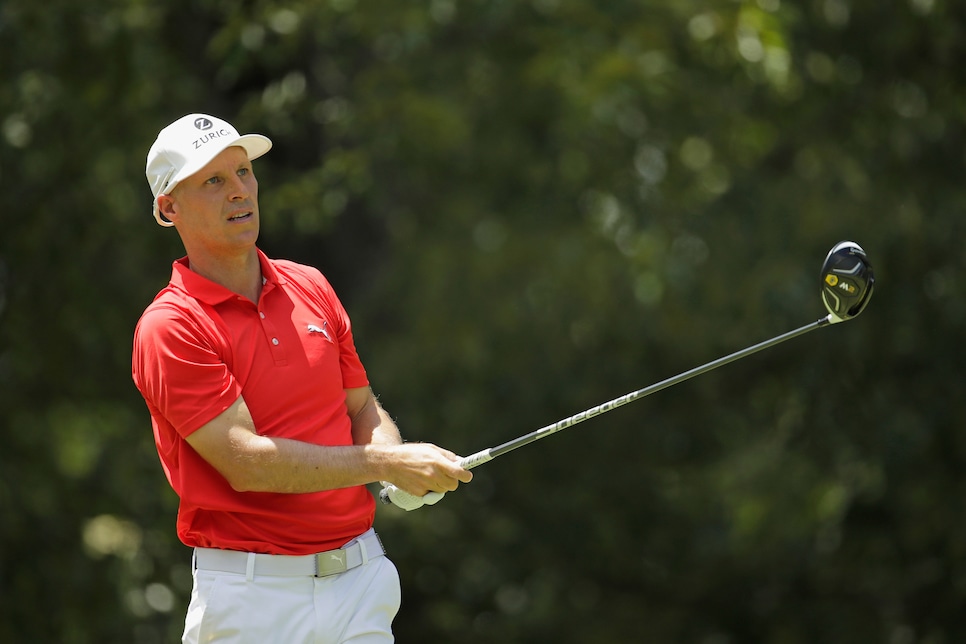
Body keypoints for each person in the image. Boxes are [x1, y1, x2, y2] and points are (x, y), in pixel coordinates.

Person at [131, 113, 472, 644]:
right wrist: (385, 462)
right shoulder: (171, 326)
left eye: (243, 172)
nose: (239, 191)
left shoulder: (308, 284)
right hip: (252, 600)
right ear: (168, 207)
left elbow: (361, 409)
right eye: (213, 181)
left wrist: (392, 470)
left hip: (359, 582)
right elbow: (246, 462)